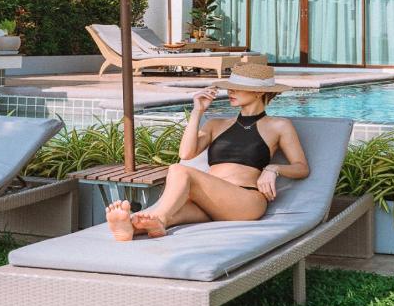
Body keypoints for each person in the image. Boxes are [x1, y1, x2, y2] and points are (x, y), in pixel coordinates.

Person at [105, 63, 309, 241]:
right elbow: (186, 153)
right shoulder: (216, 124)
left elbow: (301, 168)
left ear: (258, 93)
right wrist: (198, 111)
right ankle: (131, 228)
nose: (231, 92)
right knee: (169, 216)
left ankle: (155, 217)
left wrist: (273, 168)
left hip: (246, 200)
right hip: (211, 202)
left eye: (237, 88)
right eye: (230, 88)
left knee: (179, 170)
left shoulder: (279, 126)